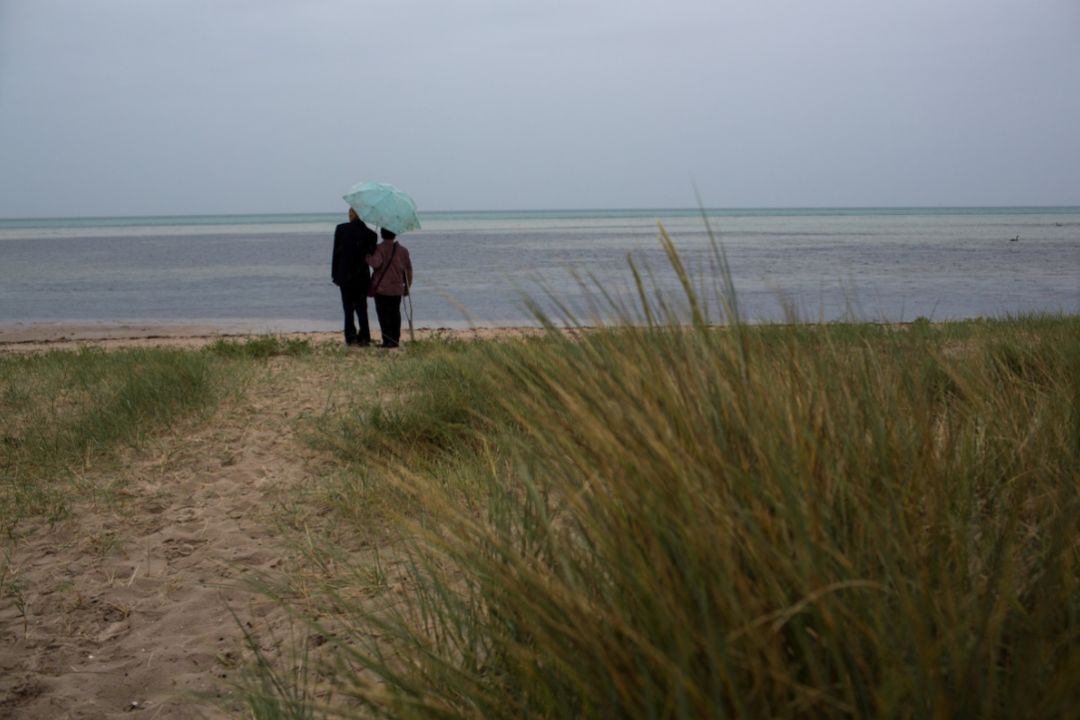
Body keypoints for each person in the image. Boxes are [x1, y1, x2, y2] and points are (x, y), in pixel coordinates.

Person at [331, 208, 378, 346]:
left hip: (345, 276)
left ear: (351, 215)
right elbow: (370, 256)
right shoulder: (371, 235)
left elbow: (336, 255)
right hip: (362, 276)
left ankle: (350, 337)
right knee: (362, 308)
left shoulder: (341, 229)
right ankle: (364, 337)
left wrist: (335, 275)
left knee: (348, 309)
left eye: (349, 213)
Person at [366, 228, 413, 348]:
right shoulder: (403, 251)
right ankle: (395, 339)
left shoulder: (379, 248)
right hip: (397, 288)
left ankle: (387, 340)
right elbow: (408, 270)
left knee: (383, 315)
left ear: (381, 234)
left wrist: (367, 256)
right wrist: (407, 287)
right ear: (394, 234)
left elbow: (376, 263)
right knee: (395, 313)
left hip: (382, 289)